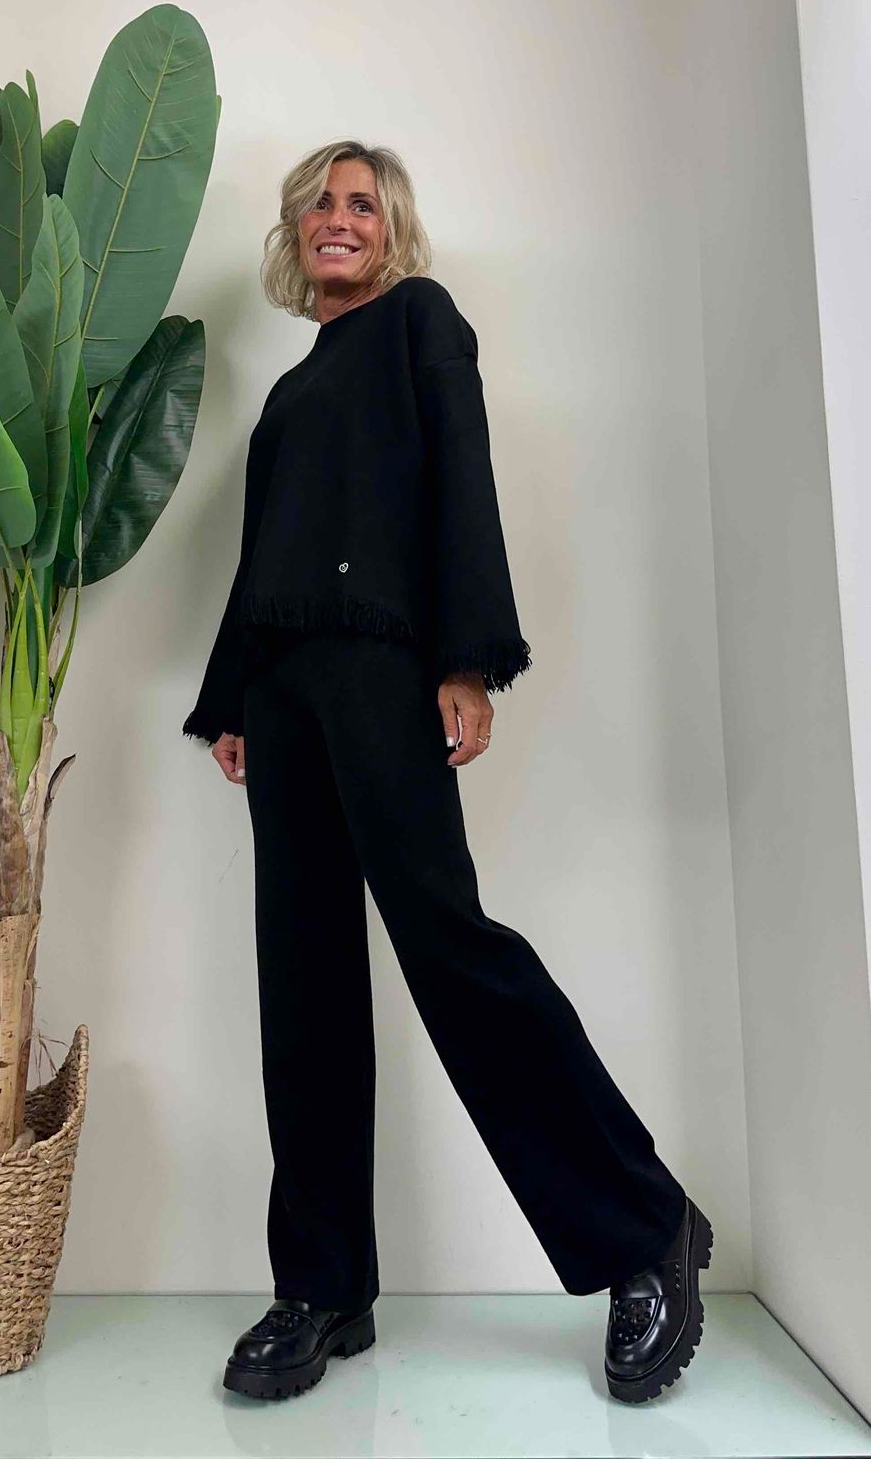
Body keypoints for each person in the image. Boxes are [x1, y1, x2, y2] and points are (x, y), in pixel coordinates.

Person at [183, 140, 713, 1405]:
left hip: (381, 672)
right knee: (301, 986)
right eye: (319, 202)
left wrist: (467, 658)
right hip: (284, 693)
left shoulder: (420, 321)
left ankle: (643, 1230)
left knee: (451, 950)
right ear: (293, 233)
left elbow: (460, 480)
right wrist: (230, 701)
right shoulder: (289, 393)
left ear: (392, 231)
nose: (338, 217)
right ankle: (323, 1286)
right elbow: (264, 557)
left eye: (362, 204)